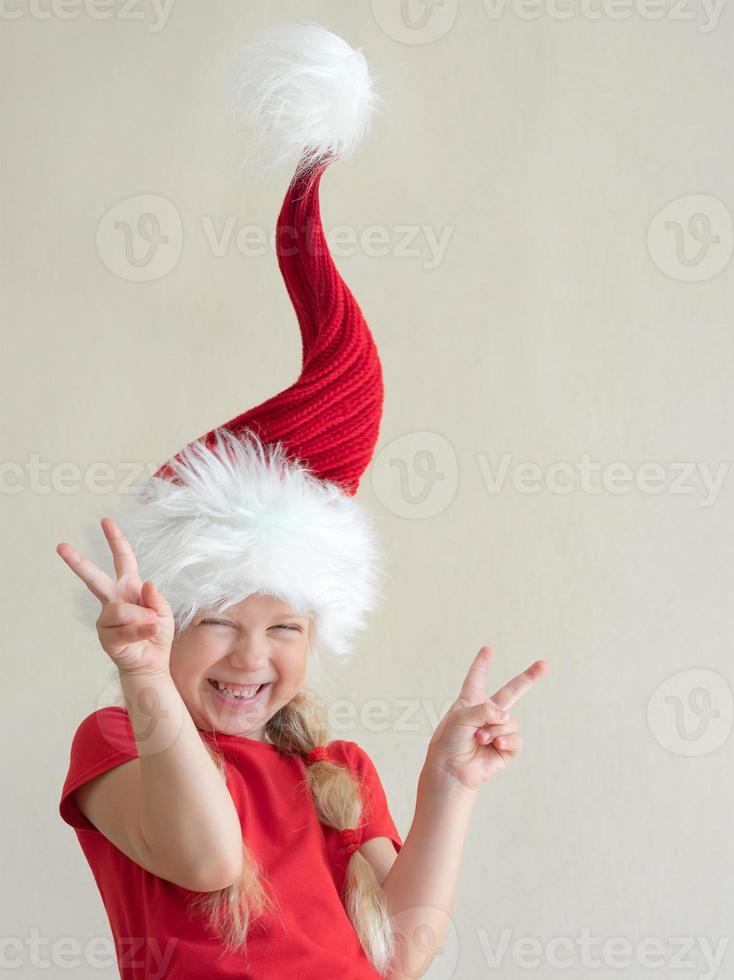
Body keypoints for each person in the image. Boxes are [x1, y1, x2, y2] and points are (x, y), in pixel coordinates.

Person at [56, 22, 549, 980]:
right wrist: (148, 680)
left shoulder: (337, 772)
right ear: (160, 623)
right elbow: (206, 861)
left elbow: (400, 954)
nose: (252, 656)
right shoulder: (119, 737)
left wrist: (447, 787)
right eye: (216, 621)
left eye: (284, 626)